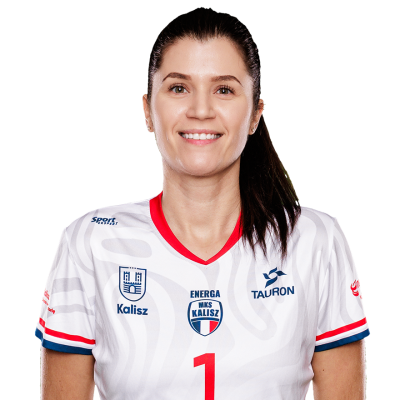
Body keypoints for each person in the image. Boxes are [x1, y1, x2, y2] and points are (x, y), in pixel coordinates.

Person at [36, 7, 370, 399]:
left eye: (224, 89)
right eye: (179, 88)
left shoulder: (315, 240)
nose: (200, 110)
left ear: (255, 114)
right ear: (147, 110)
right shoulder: (91, 243)